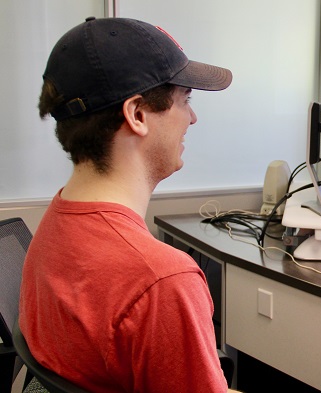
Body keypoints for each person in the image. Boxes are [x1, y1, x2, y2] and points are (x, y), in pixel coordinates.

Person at [19, 17, 237, 392]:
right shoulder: (162, 281)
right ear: (137, 115)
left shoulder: (55, 225)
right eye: (185, 100)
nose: (193, 118)